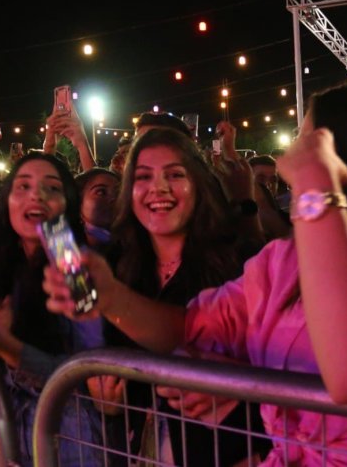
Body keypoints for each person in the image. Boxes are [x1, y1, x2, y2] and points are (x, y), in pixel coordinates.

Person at [44, 80, 347, 466]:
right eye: (142, 177)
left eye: (309, 141)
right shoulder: (285, 261)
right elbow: (193, 325)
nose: (293, 151)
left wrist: (317, 192)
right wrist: (111, 297)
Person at [92, 127, 268, 466]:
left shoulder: (244, 261)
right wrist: (104, 398)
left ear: (199, 184)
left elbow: (288, 370)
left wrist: (241, 391)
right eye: (143, 177)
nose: (158, 188)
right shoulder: (112, 265)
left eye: (174, 174)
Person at [0, 152, 103, 467]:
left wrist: (9, 348)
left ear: (69, 205)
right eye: (23, 187)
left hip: (69, 436)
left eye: (52, 188)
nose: (36, 195)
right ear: (6, 200)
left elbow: (89, 367)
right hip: (13, 429)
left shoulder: (72, 261)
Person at [74, 167, 119, 250]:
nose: (113, 198)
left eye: (118, 193)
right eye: (101, 192)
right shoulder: (64, 249)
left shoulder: (133, 247)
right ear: (78, 201)